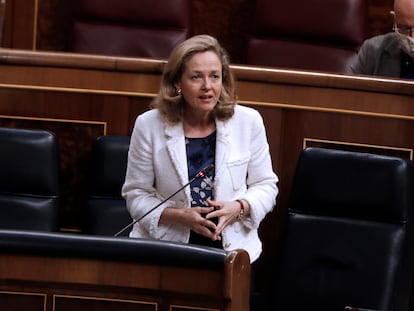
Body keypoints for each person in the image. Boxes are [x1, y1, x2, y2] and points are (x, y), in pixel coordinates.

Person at [121, 34, 279, 264]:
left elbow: (265, 185)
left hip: (231, 249)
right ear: (177, 82)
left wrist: (239, 207)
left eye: (214, 76)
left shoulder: (248, 121)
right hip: (165, 247)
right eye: (196, 77)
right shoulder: (149, 125)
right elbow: (136, 194)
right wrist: (179, 216)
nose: (207, 87)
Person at [351, 0, 414, 79]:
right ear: (394, 20)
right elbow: (351, 90)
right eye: (404, 28)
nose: (412, 36)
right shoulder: (372, 51)